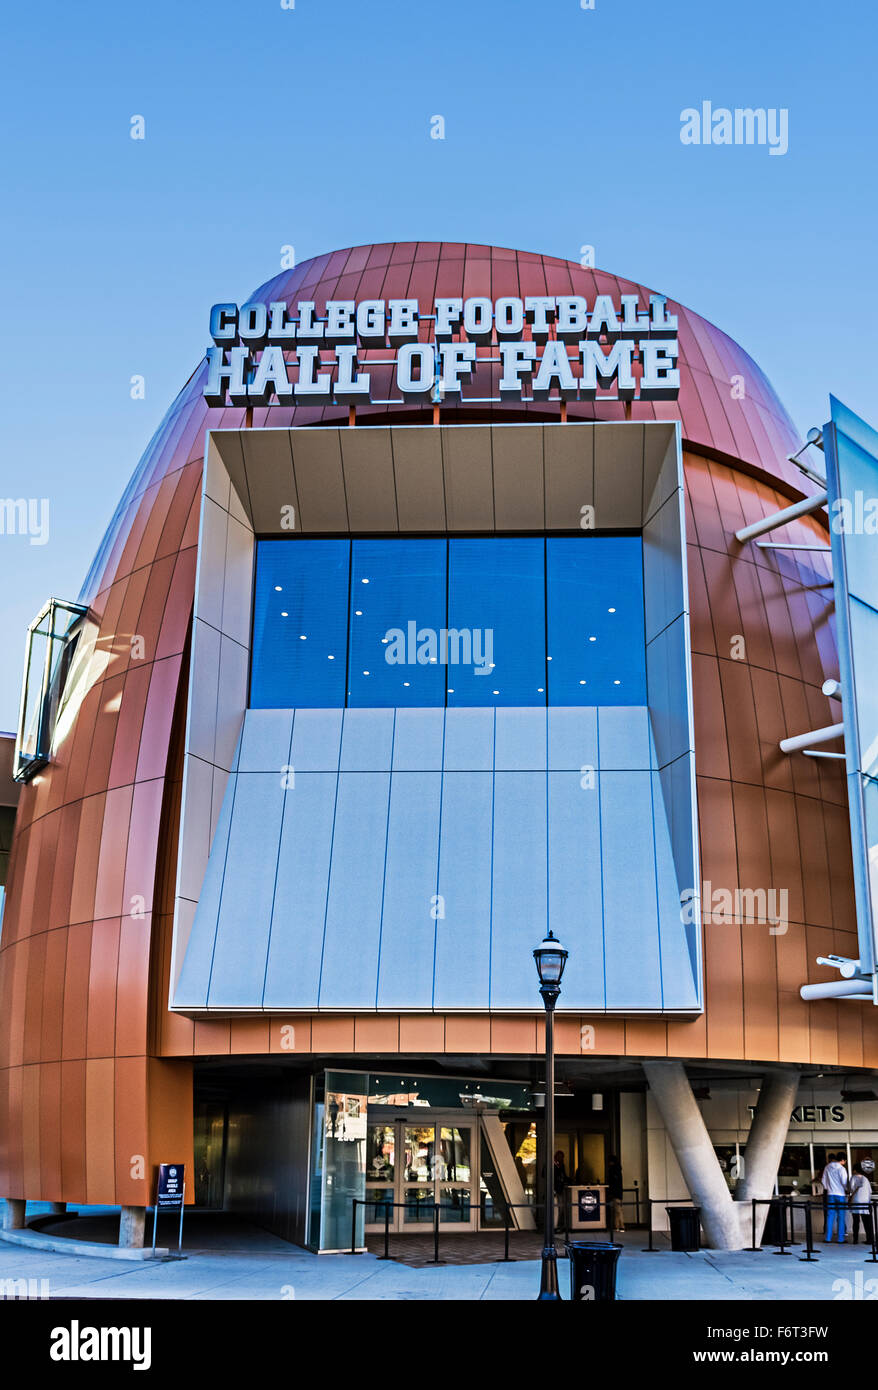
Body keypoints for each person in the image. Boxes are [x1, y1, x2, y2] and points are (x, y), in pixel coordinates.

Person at [821, 1152, 849, 1244]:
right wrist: (846, 1189)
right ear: (843, 1160)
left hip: (830, 1194)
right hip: (840, 1195)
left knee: (830, 1216)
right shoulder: (842, 1169)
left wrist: (828, 1188)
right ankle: (840, 1239)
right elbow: (844, 1182)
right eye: (845, 1161)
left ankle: (828, 1238)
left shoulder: (827, 1167)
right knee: (841, 1217)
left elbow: (823, 1181)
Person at [849, 1163, 874, 1246]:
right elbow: (870, 1191)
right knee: (867, 1221)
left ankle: (855, 1240)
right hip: (866, 1201)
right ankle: (869, 1239)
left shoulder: (853, 1177)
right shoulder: (866, 1179)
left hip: (856, 1200)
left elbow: (851, 1189)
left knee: (856, 1221)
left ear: (855, 1170)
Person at [607, 1154, 625, 1233]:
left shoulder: (613, 1170)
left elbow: (613, 1182)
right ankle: (617, 1226)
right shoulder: (618, 1170)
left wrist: (611, 1192)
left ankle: (620, 1226)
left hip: (615, 1193)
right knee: (618, 1210)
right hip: (618, 1192)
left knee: (617, 1210)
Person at [553, 1150, 568, 1231]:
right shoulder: (553, 1165)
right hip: (555, 1190)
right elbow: (545, 1174)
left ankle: (558, 1225)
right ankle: (555, 1226)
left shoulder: (561, 1165)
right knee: (557, 1209)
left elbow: (564, 1176)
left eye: (562, 1157)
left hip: (560, 1189)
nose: (561, 1158)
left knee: (560, 1209)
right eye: (560, 1157)